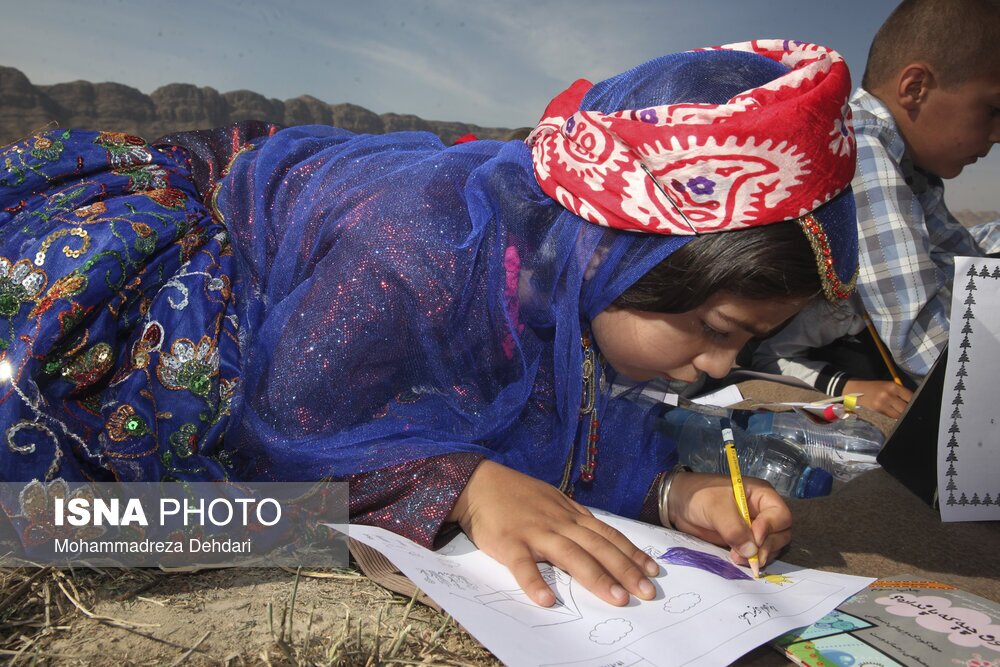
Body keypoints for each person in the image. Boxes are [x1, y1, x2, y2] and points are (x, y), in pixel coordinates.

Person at [0, 41, 859, 607]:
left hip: (351, 262)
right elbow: (290, 421)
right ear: (620, 256)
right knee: (162, 459)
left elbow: (562, 399)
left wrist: (673, 491)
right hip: (191, 249)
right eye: (713, 326)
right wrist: (466, 484)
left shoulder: (567, 277)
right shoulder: (422, 247)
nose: (718, 367)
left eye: (745, 344)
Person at [752, 0, 1000, 419]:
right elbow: (919, 333)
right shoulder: (859, 149)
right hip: (768, 351)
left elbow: (965, 263)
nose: (997, 135)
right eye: (993, 109)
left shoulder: (913, 170)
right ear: (915, 88)